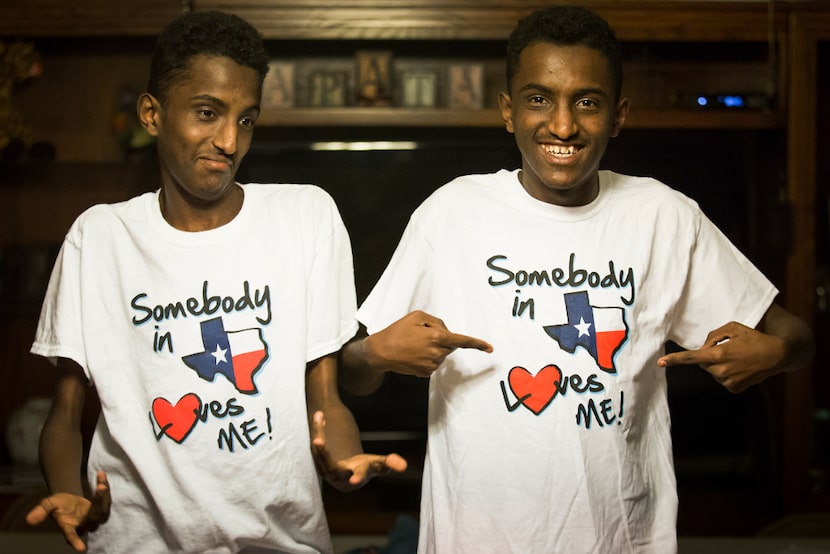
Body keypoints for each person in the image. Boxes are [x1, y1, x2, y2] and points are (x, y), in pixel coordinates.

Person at [339, 5, 814, 553]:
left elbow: (797, 337)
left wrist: (774, 354)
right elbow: (352, 371)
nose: (562, 125)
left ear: (618, 115)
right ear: (508, 110)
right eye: (539, 98)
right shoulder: (451, 212)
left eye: (586, 102)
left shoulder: (664, 215)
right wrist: (376, 354)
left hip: (622, 539)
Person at [24, 10, 405, 554]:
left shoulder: (306, 217)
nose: (229, 140)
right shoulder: (100, 237)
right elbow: (64, 415)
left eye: (246, 120)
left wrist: (343, 462)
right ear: (152, 114)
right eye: (208, 113)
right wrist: (67, 494)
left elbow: (326, 397)